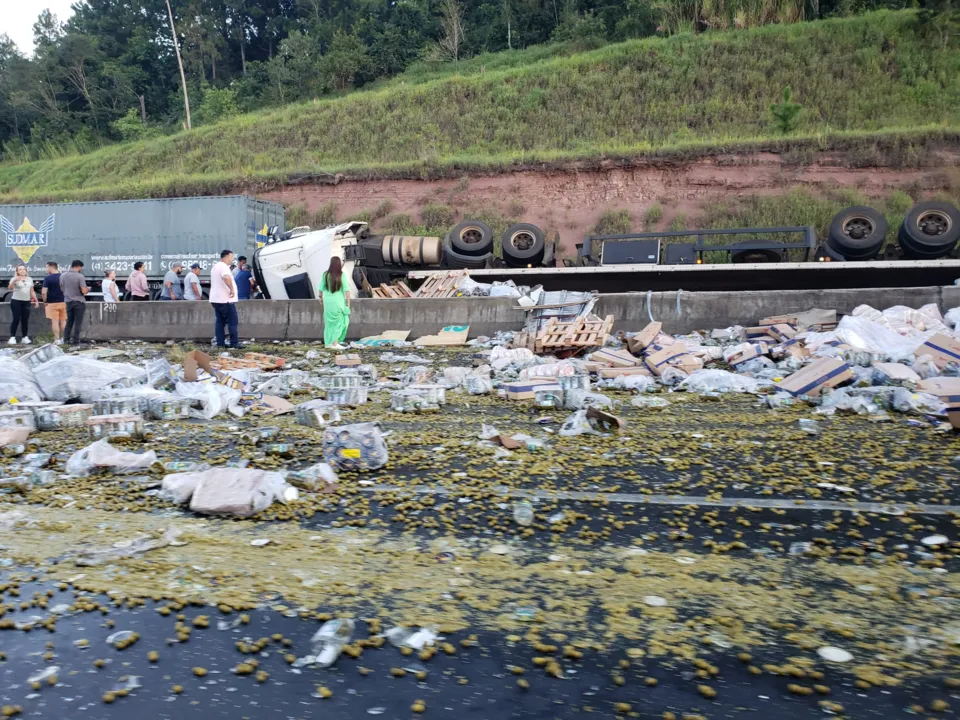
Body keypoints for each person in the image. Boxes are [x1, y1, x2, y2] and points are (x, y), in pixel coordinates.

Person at [209, 249, 239, 348]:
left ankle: (220, 343)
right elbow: (226, 277)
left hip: (216, 299)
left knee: (220, 322)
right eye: (231, 257)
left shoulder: (215, 267)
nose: (232, 260)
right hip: (225, 299)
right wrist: (232, 289)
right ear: (226, 257)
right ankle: (234, 343)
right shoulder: (224, 267)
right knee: (232, 322)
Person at [319, 256, 350, 349]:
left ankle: (328, 343)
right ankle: (335, 343)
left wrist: (320, 297)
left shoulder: (325, 274)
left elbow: (321, 288)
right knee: (339, 322)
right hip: (338, 302)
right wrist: (348, 304)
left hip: (328, 302)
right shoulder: (341, 275)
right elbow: (347, 291)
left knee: (329, 323)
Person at [7, 264, 38, 345]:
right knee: (16, 318)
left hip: (26, 301)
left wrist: (36, 300)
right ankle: (12, 337)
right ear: (17, 271)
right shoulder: (14, 278)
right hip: (16, 301)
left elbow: (32, 291)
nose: (22, 270)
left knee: (25, 320)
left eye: (23, 269)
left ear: (26, 271)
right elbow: (10, 288)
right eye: (20, 269)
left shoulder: (30, 279)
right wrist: (14, 281)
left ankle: (24, 337)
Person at [60, 259, 89, 346]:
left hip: (68, 301)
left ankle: (66, 340)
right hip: (79, 301)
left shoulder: (62, 276)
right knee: (78, 322)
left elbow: (62, 288)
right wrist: (87, 290)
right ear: (79, 267)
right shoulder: (80, 276)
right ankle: (76, 341)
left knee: (69, 321)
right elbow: (84, 291)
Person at [41, 261, 66, 344]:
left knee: (55, 322)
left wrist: (45, 301)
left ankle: (57, 339)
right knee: (63, 321)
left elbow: (44, 292)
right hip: (64, 301)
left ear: (51, 267)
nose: (46, 269)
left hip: (52, 303)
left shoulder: (48, 278)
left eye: (47, 267)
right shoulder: (63, 276)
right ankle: (64, 338)